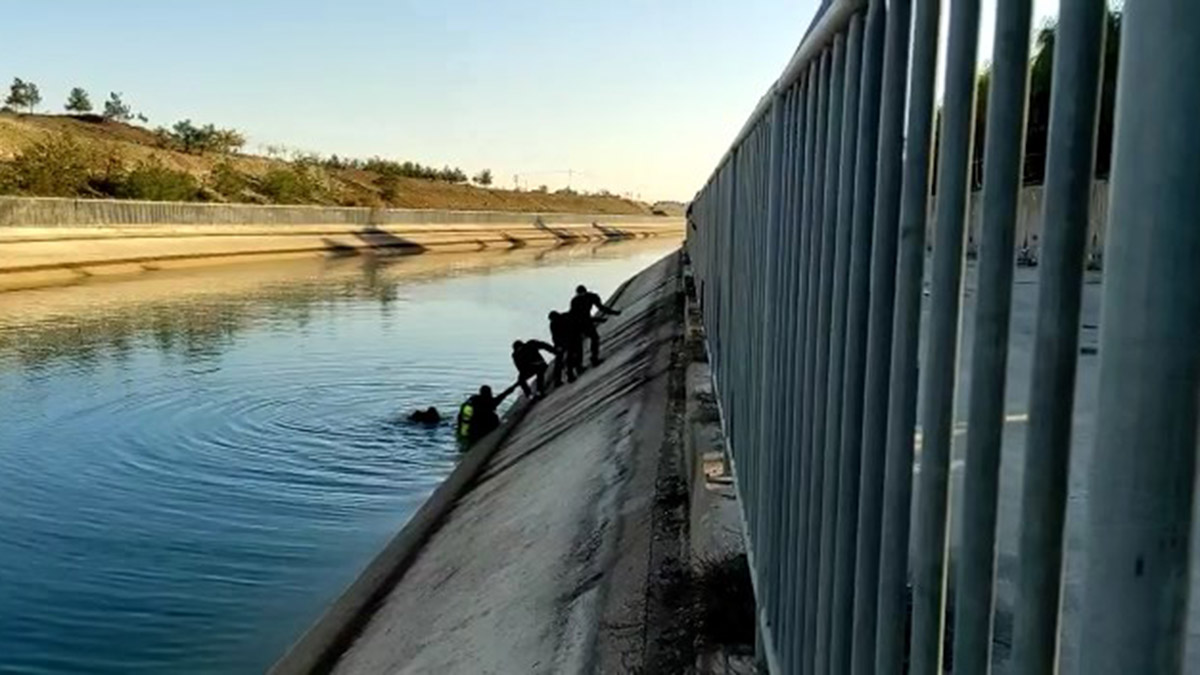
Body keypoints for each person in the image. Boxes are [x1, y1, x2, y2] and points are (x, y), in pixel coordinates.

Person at [569, 284, 621, 365]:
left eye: (582, 293)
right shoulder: (576, 301)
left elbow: (601, 307)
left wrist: (613, 312)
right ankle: (583, 363)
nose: (581, 295)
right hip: (579, 323)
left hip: (585, 321)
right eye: (580, 294)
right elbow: (575, 315)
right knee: (581, 343)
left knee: (594, 338)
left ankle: (593, 358)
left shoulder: (590, 297)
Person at [548, 310, 582, 385]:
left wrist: (557, 345)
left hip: (568, 339)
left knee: (572, 355)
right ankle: (573, 372)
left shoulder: (555, 323)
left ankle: (573, 371)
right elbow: (555, 336)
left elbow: (555, 336)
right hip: (569, 340)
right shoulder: (558, 321)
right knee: (573, 355)